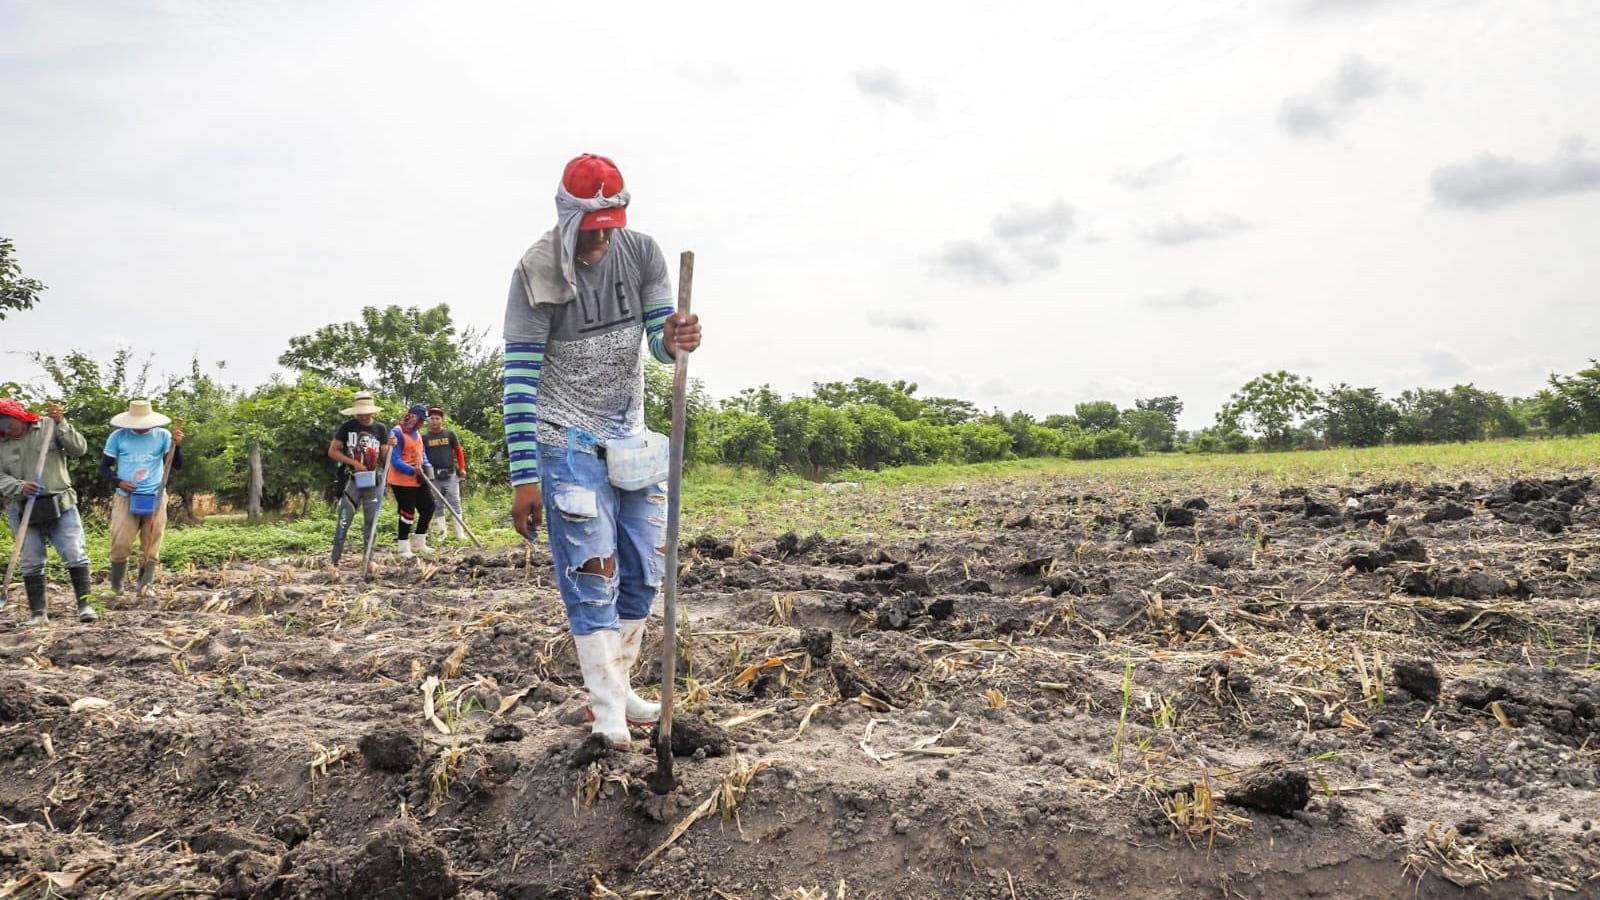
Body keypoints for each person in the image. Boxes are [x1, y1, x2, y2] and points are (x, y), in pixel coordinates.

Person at [504, 153, 701, 748]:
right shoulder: (536, 272)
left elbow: (662, 344)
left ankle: (623, 687)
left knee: (645, 564)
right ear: (567, 220)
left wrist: (676, 339)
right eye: (589, 233)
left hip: (630, 435)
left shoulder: (641, 252)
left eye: (607, 230)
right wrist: (523, 477)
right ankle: (606, 706)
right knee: (594, 572)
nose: (598, 243)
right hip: (564, 441)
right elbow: (518, 380)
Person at [0, 398, 96, 625]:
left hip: (60, 502)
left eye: (8, 423)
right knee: (31, 559)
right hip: (22, 507)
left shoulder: (48, 425)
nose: (6, 429)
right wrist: (19, 486)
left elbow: (79, 449)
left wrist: (61, 423)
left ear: (18, 416)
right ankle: (38, 614)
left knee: (74, 552)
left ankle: (85, 605)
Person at [99, 399, 185, 597]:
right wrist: (118, 482)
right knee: (120, 541)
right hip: (125, 496)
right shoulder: (117, 437)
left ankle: (144, 586)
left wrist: (177, 447)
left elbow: (177, 465)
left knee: (151, 540)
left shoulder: (163, 436)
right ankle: (116, 587)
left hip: (154, 495)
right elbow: (103, 468)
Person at [326, 390, 391, 566]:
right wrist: (352, 462)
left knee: (371, 522)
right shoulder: (347, 427)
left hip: (373, 481)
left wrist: (392, 447)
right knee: (344, 520)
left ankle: (368, 560)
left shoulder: (380, 429)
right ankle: (334, 561)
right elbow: (333, 451)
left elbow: (384, 455)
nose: (363, 416)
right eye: (360, 413)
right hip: (352, 480)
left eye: (366, 412)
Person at [387, 403, 436, 558]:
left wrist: (427, 466)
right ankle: (403, 547)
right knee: (407, 512)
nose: (422, 424)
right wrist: (411, 470)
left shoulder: (417, 434)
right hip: (401, 480)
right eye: (420, 420)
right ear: (413, 418)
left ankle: (419, 542)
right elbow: (394, 459)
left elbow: (422, 454)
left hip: (418, 478)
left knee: (429, 507)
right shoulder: (397, 432)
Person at [422, 406, 468, 540]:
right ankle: (442, 534)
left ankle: (460, 533)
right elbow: (422, 455)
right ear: (429, 421)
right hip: (433, 476)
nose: (434, 421)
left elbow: (458, 451)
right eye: (432, 418)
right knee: (437, 504)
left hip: (450, 473)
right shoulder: (425, 437)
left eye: (437, 418)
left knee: (455, 502)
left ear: (442, 420)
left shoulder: (450, 434)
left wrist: (462, 468)